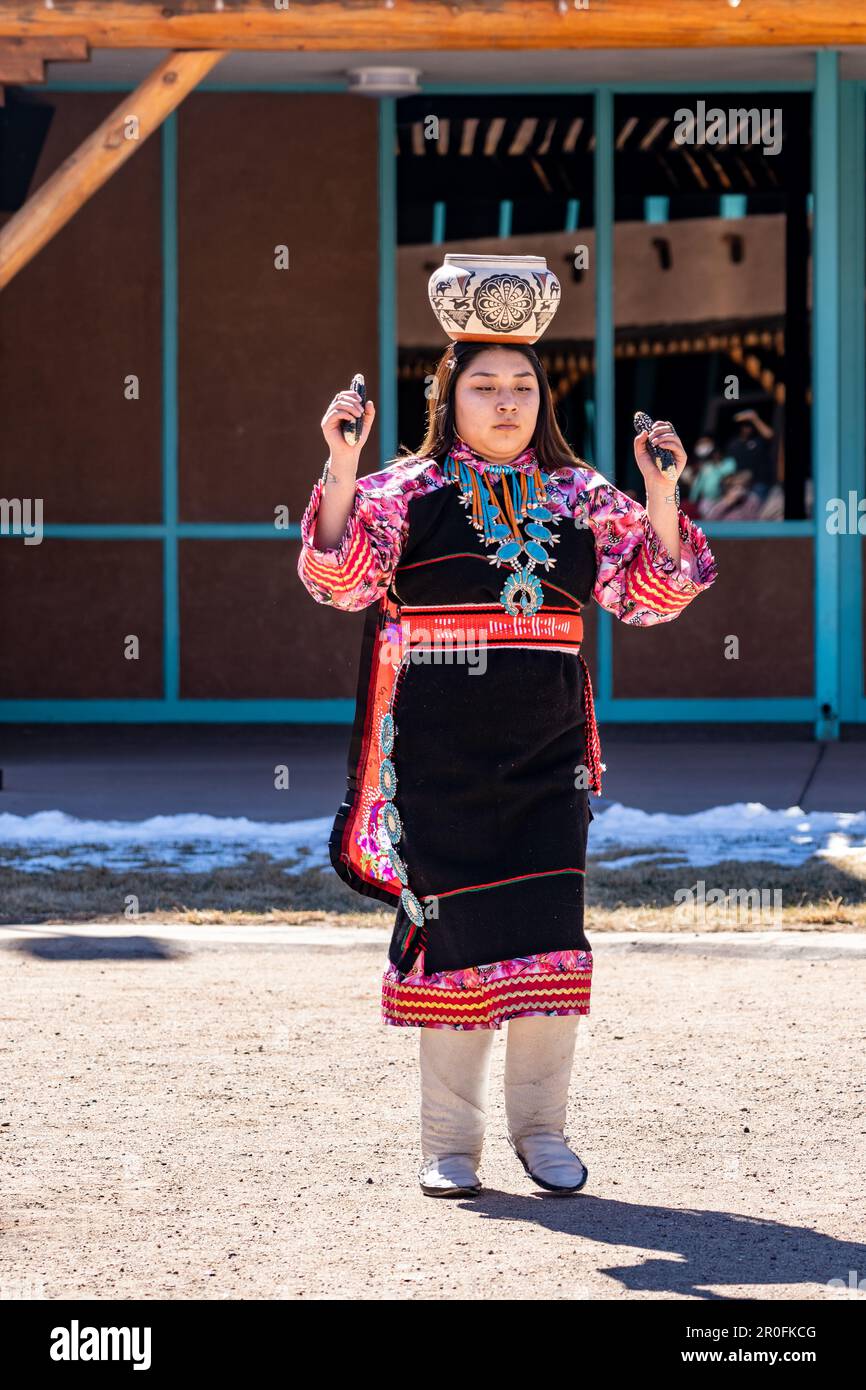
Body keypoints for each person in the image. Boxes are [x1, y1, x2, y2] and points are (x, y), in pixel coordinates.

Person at [297, 255, 718, 1198]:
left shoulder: (582, 497)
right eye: (484, 384)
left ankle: (544, 1134)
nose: (506, 400)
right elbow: (338, 580)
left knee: (548, 931)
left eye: (523, 385)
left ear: (544, 398)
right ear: (450, 395)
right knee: (453, 941)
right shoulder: (400, 493)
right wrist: (340, 463)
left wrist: (660, 495)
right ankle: (450, 1146)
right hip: (435, 754)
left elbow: (652, 596)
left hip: (547, 754)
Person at [724, 408, 776, 500]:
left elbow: (770, 435)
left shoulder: (758, 440)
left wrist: (754, 418)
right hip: (739, 484)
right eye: (744, 425)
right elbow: (728, 464)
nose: (747, 428)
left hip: (758, 483)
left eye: (749, 425)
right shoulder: (733, 444)